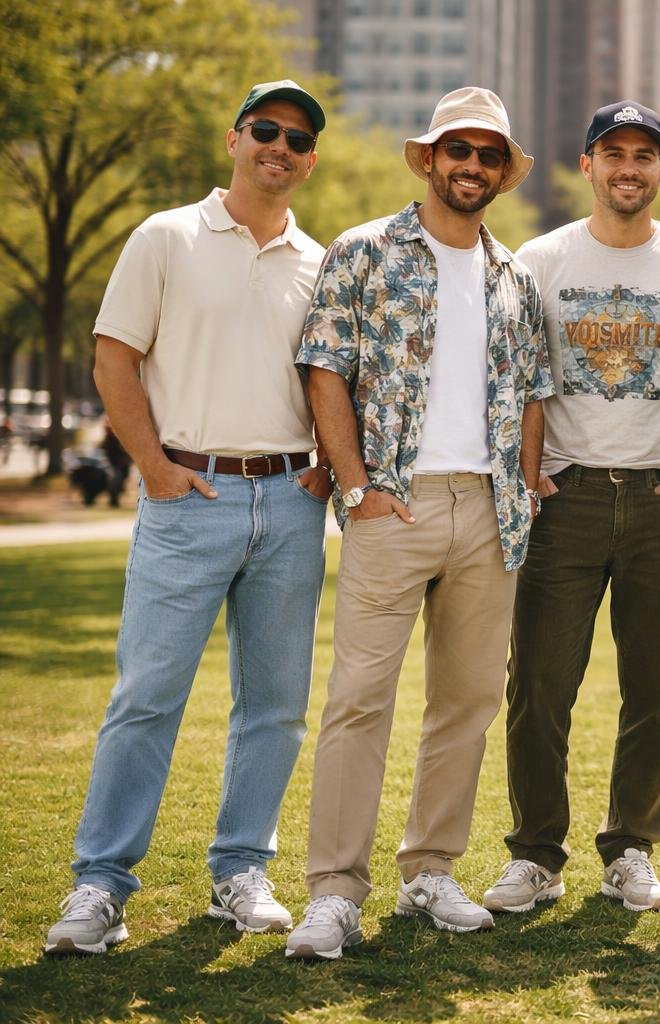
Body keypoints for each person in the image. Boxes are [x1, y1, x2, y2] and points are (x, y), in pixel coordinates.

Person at [44, 80, 331, 955]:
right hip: (189, 498)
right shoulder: (164, 236)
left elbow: (329, 379)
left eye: (296, 139)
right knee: (146, 699)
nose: (279, 147)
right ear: (235, 139)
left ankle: (241, 872)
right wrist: (158, 471)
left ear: (310, 161)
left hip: (290, 504)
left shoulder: (320, 262)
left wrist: (323, 464)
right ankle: (100, 887)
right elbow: (114, 358)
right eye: (266, 131)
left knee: (275, 707)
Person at [285, 87, 552, 961]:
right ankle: (334, 892)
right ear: (431, 159)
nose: (471, 166)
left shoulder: (514, 275)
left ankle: (431, 869)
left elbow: (530, 393)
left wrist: (519, 484)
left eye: (487, 156)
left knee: (467, 703)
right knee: (359, 699)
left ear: (501, 174)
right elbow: (326, 368)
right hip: (390, 504)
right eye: (458, 151)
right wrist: (357, 490)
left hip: (487, 511)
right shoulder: (363, 252)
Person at [485, 101, 660, 915]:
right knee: (541, 683)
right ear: (585, 165)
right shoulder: (538, 260)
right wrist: (526, 475)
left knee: (654, 688)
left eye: (644, 155)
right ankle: (536, 855)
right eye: (612, 152)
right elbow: (509, 378)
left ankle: (631, 851)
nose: (628, 167)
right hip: (565, 495)